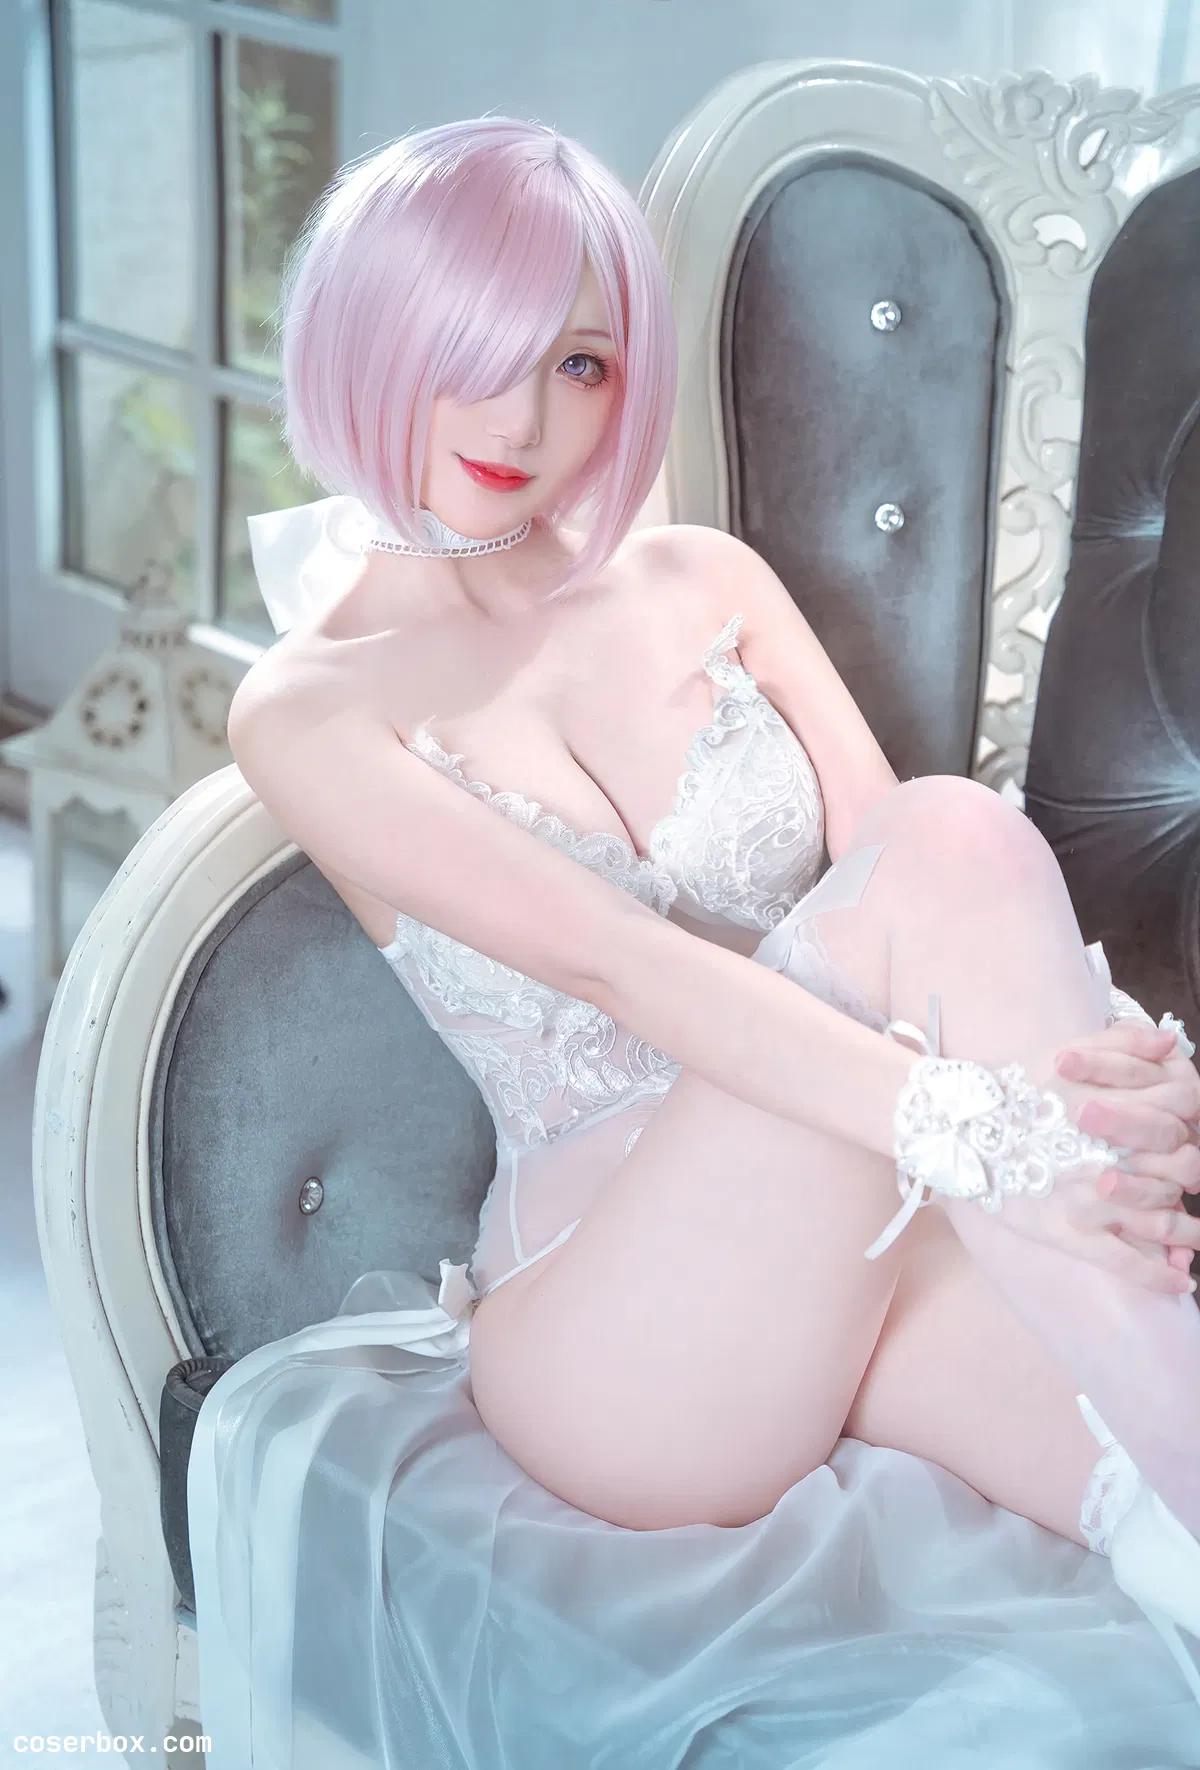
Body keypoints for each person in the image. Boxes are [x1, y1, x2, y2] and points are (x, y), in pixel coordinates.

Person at [188, 117, 1200, 1768]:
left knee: (1142, 1473)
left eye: (578, 364)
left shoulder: (702, 578)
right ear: (370, 338)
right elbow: (626, 964)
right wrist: (993, 1129)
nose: (522, 421)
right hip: (614, 1329)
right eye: (471, 354)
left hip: (852, 1227)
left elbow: (904, 884)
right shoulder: (307, 707)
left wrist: (1114, 1074)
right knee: (959, 850)